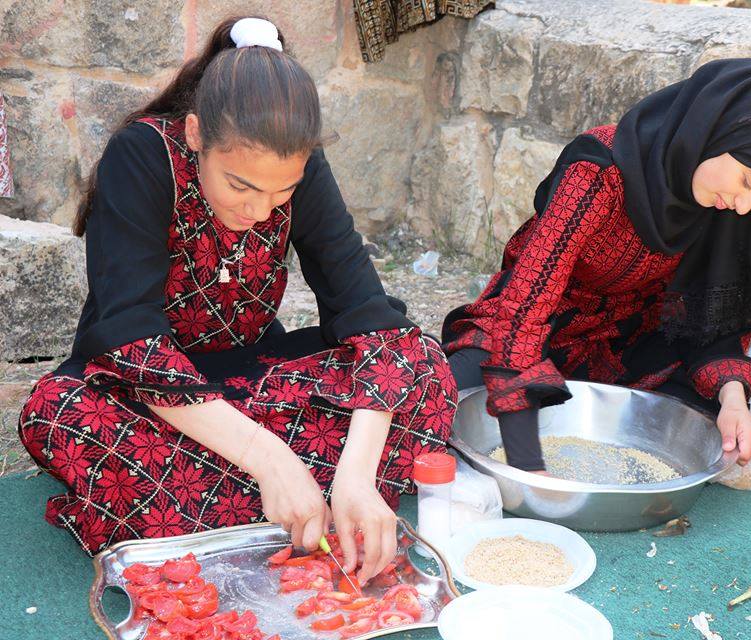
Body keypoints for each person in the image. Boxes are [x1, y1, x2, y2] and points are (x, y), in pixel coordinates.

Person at [17, 17, 457, 584]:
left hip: (255, 384)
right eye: (241, 187)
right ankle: (286, 492)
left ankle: (305, 499)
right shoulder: (143, 154)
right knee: (57, 415)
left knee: (423, 363)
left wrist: (358, 475)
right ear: (197, 134)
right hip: (145, 396)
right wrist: (269, 457)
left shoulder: (299, 164)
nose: (261, 213)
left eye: (282, 193)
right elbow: (129, 337)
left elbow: (372, 318)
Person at [442, 59, 751, 473]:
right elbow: (523, 309)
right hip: (540, 327)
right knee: (450, 391)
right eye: (750, 182)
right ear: (717, 132)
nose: (744, 205)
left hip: (630, 341)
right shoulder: (598, 169)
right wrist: (528, 465)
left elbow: (712, 322)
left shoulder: (725, 203)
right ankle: (605, 408)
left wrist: (733, 398)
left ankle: (610, 404)